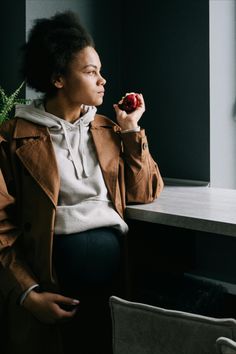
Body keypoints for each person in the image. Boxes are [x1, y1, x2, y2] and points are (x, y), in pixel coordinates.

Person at [0, 10, 164, 354]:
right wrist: (28, 294)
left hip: (114, 290)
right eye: (91, 72)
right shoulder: (13, 137)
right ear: (59, 79)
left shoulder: (109, 130)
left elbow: (143, 191)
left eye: (101, 71)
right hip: (50, 289)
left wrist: (132, 129)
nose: (102, 80)